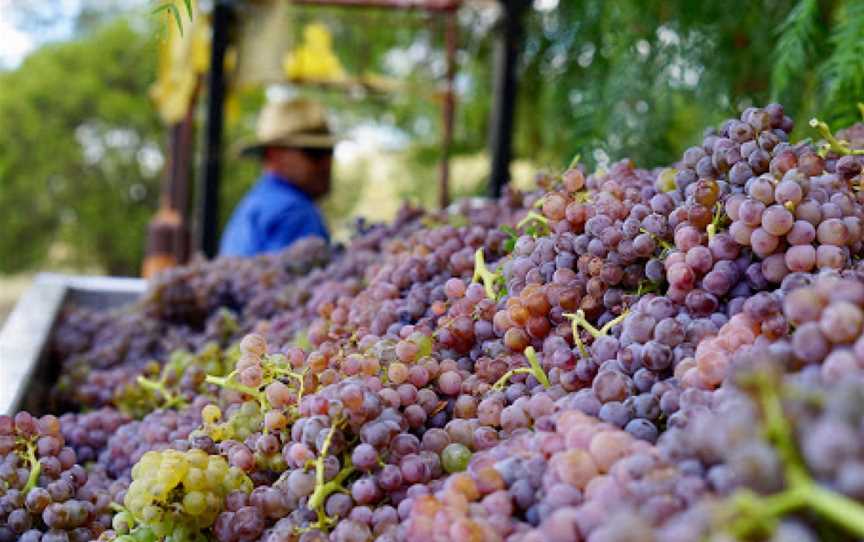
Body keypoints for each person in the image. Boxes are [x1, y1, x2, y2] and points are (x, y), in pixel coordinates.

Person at [220, 99, 334, 257]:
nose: (327, 163)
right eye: (315, 154)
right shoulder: (295, 211)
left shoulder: (254, 203)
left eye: (330, 152)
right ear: (275, 155)